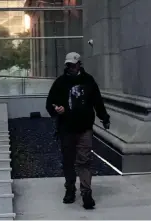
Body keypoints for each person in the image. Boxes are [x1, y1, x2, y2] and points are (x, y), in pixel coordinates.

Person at [46, 52, 110, 209]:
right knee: (68, 160)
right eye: (68, 65)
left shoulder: (89, 81)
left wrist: (104, 117)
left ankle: (86, 193)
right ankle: (70, 189)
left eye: (73, 65)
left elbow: (97, 101)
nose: (71, 68)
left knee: (85, 160)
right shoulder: (60, 83)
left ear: (79, 64)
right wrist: (56, 109)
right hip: (66, 128)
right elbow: (50, 103)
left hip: (84, 128)